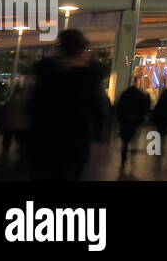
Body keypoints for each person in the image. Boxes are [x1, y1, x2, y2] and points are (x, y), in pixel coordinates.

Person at [26, 29, 108, 181]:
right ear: (81, 49)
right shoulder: (88, 77)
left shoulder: (46, 72)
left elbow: (32, 105)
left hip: (43, 138)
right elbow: (98, 109)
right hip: (75, 140)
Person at [115, 83, 151, 171]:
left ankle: (123, 161)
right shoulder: (140, 96)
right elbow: (144, 107)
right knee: (134, 139)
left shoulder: (125, 94)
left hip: (125, 120)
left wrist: (120, 117)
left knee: (125, 142)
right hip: (135, 120)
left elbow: (119, 106)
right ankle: (132, 160)